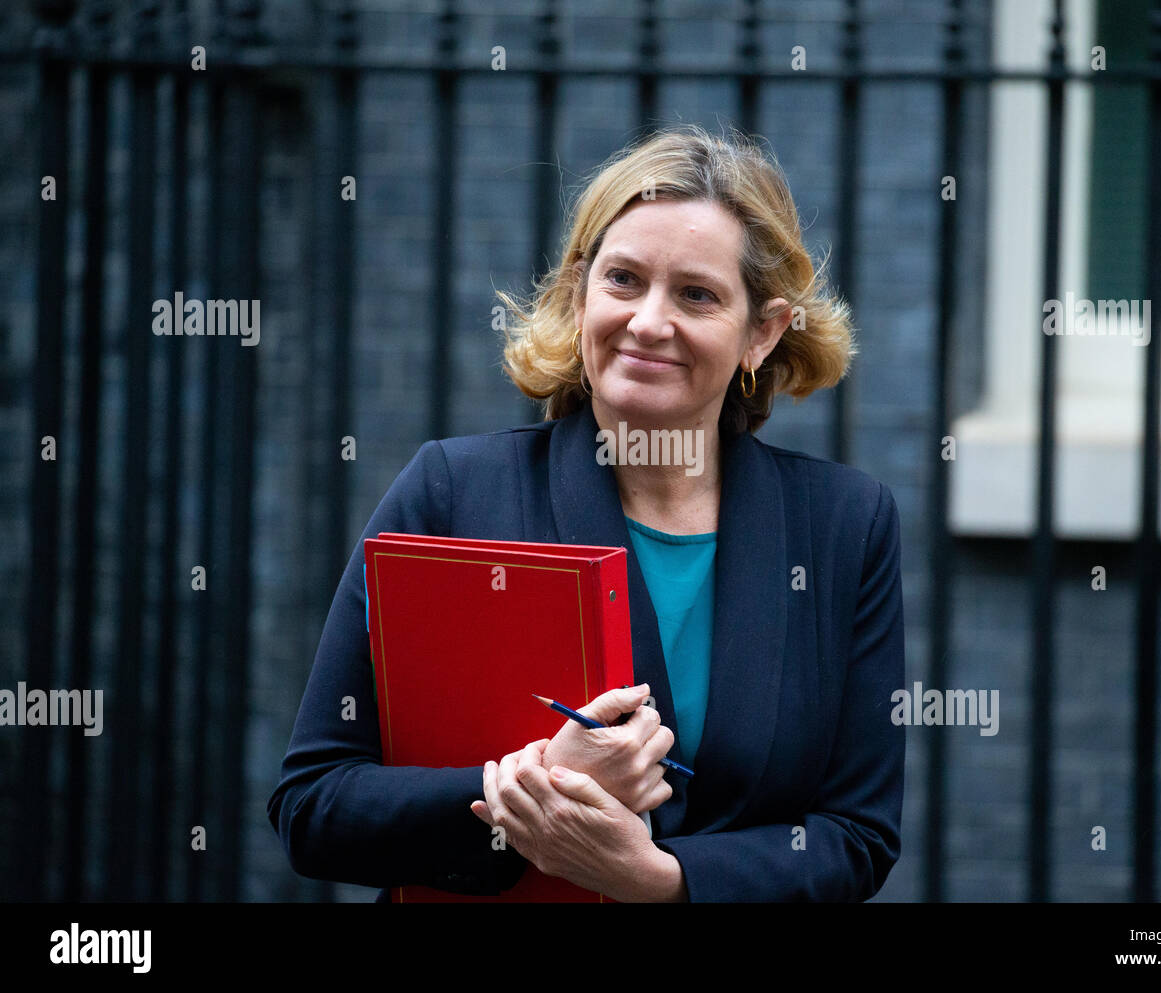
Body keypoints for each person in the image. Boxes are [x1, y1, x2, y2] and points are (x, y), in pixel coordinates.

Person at [267, 124, 905, 902]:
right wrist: (538, 787)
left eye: (697, 294)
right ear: (579, 296)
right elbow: (313, 805)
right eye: (624, 280)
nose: (647, 321)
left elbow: (857, 833)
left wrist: (666, 882)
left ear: (762, 332)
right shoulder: (454, 492)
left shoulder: (844, 526)